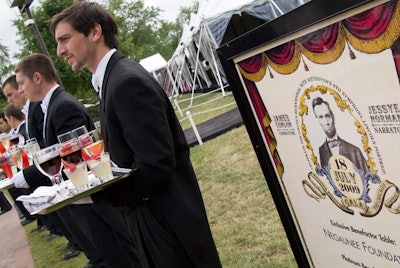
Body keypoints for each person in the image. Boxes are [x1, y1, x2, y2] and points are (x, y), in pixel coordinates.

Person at [51, 2, 222, 267]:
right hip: (151, 218)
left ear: (95, 32)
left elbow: (155, 165)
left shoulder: (125, 82)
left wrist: (94, 194)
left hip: (165, 223)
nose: (60, 51)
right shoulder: (112, 78)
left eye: (65, 39)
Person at [14, 53, 139, 268]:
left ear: (37, 77)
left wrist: (28, 175)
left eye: (21, 83)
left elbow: (72, 155)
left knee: (123, 257)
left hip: (94, 201)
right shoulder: (51, 106)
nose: (20, 90)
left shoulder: (63, 106)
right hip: (85, 201)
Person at [312, 96, 369, 174]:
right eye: (321, 117)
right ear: (318, 120)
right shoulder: (321, 150)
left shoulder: (355, 151)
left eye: (327, 116)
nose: (326, 122)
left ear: (333, 116)